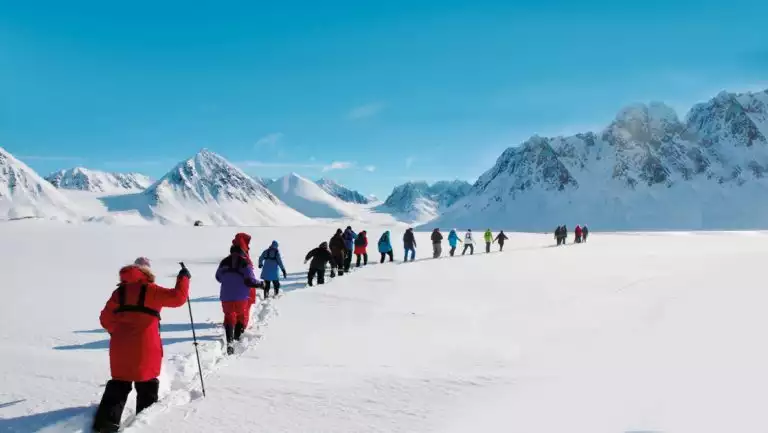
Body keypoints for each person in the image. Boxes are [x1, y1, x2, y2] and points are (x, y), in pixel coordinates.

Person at [92, 258, 191, 433]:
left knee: (119, 384)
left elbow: (105, 319)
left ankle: (105, 426)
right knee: (147, 385)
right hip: (145, 346)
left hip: (120, 347)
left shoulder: (119, 293)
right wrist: (183, 278)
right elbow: (179, 298)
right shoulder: (151, 290)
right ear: (147, 273)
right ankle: (145, 426)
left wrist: (119, 332)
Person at [217, 234, 262, 356]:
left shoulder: (224, 262)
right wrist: (261, 284)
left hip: (226, 296)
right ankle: (237, 337)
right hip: (241, 296)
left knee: (229, 316)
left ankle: (230, 341)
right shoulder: (244, 262)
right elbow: (250, 281)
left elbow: (218, 277)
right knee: (241, 315)